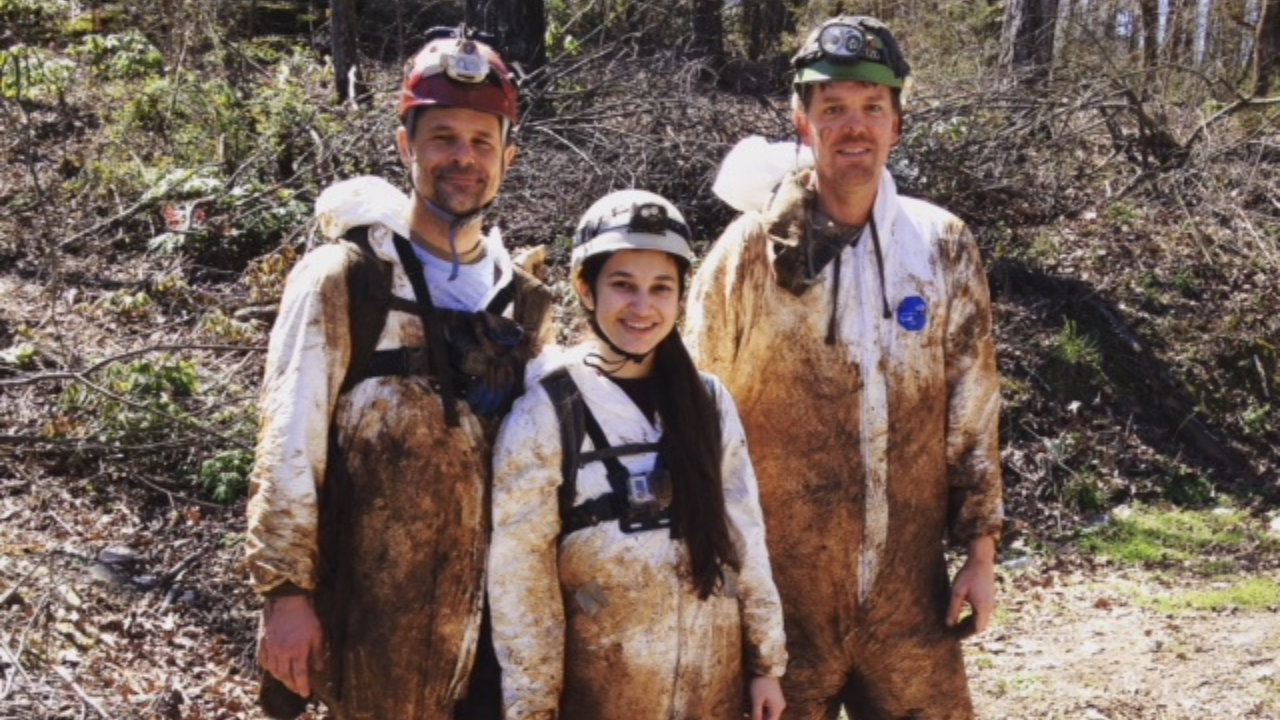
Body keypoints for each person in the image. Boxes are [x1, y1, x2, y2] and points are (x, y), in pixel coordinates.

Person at [686, 15, 1003, 720]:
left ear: (898, 120)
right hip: (784, 602)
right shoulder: (746, 254)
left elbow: (973, 412)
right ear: (803, 121)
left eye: (871, 108)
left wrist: (979, 557)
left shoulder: (941, 245)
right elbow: (693, 414)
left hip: (908, 603)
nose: (852, 128)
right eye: (832, 110)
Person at [244, 27, 552, 720]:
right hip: (367, 627)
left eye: (481, 141)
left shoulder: (526, 304)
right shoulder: (348, 279)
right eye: (442, 137)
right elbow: (288, 444)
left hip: (489, 645)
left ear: (509, 155)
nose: (462, 158)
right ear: (404, 146)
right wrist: (285, 593)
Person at [487, 190, 788, 720]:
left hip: (711, 679)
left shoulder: (707, 400)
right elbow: (521, 578)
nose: (642, 307)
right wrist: (532, 706)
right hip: (602, 689)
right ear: (585, 287)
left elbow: (745, 531)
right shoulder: (548, 409)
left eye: (660, 288)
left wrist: (766, 663)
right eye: (623, 285)